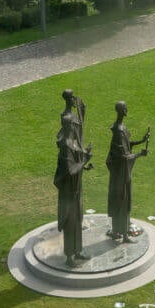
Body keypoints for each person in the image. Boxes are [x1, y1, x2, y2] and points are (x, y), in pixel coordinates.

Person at [54, 89, 93, 265]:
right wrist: (84, 161)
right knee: (71, 221)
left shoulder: (72, 144)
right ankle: (70, 255)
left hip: (75, 188)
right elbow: (70, 170)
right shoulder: (65, 147)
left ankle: (78, 250)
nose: (76, 128)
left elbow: (77, 161)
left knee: (78, 219)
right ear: (68, 126)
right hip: (69, 192)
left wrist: (84, 163)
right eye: (74, 126)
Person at [105, 101, 149, 242]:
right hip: (120, 175)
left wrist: (141, 141)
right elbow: (123, 157)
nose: (127, 110)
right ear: (120, 110)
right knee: (121, 202)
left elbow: (127, 145)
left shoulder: (122, 127)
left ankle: (122, 233)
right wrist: (139, 155)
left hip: (123, 174)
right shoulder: (118, 130)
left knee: (124, 202)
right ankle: (121, 234)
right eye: (125, 108)